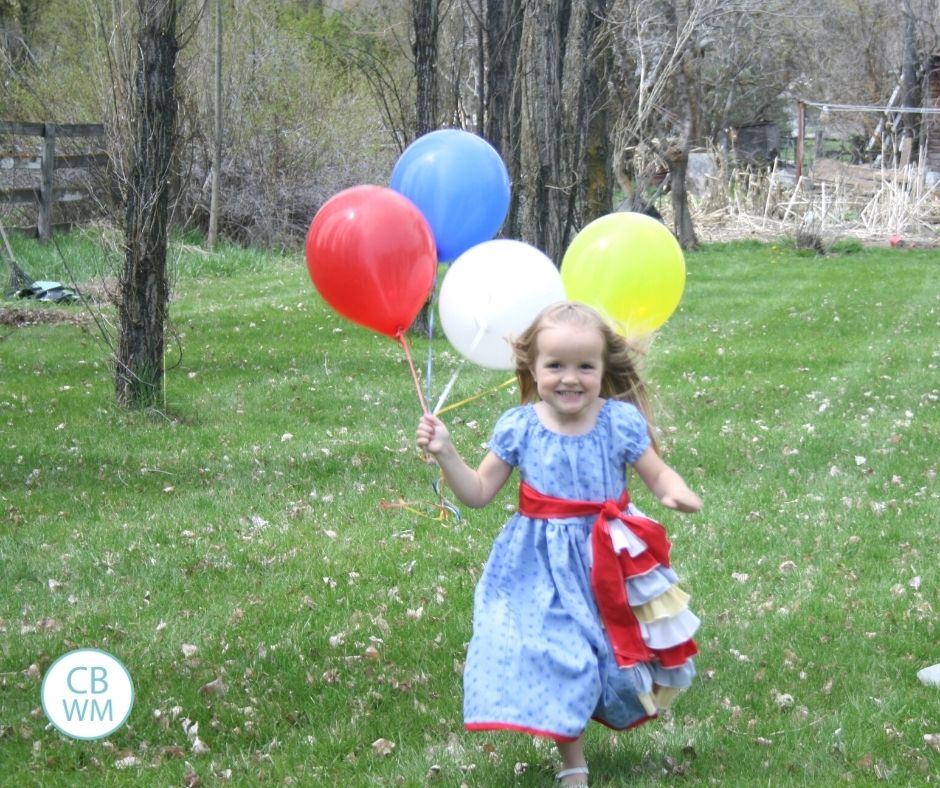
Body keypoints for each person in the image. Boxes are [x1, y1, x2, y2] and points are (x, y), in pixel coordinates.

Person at [416, 302, 702, 786]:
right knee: (558, 654)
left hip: (607, 560)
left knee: (605, 658)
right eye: (556, 366)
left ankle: (594, 715)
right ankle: (574, 763)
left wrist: (673, 490)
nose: (570, 379)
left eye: (585, 366)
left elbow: (656, 472)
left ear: (604, 368)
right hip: (538, 563)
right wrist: (446, 451)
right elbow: (479, 493)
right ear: (532, 367)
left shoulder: (618, 423)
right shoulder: (520, 426)